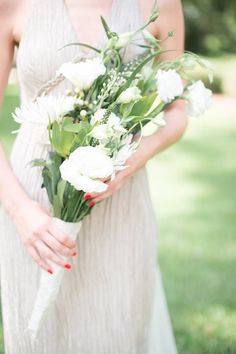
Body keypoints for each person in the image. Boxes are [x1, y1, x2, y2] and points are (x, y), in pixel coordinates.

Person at [0, 0, 186, 353]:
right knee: (38, 335)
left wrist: (128, 161)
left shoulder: (160, 3)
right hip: (34, 208)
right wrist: (22, 215)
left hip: (119, 202)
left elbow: (178, 110)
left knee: (115, 327)